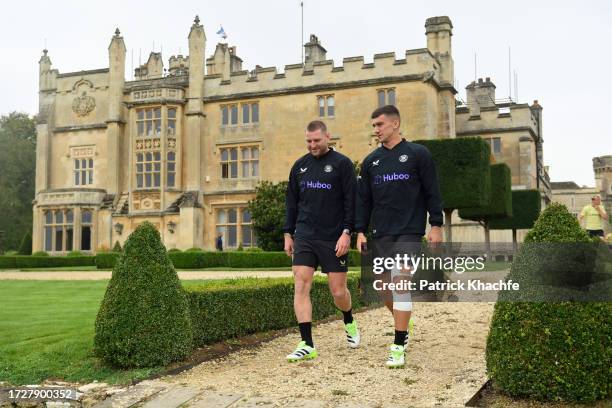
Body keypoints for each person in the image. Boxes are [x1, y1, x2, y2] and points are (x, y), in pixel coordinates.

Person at [356, 105, 443, 368]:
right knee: (384, 288)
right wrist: (360, 230)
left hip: (410, 232)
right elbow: (364, 201)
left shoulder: (418, 154)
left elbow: (432, 192)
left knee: (401, 282)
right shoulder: (371, 161)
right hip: (381, 234)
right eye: (373, 126)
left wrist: (436, 225)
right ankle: (403, 320)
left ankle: (398, 344)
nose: (376, 130)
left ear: (395, 124)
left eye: (379, 124)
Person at [283, 120, 360, 362]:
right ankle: (307, 343)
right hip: (305, 234)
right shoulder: (300, 166)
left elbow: (351, 201)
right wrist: (288, 233)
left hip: (333, 236)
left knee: (338, 291)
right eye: (309, 141)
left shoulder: (342, 164)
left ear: (328, 137)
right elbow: (291, 202)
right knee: (301, 283)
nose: (312, 145)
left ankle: (348, 319)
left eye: (317, 140)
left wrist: (347, 232)